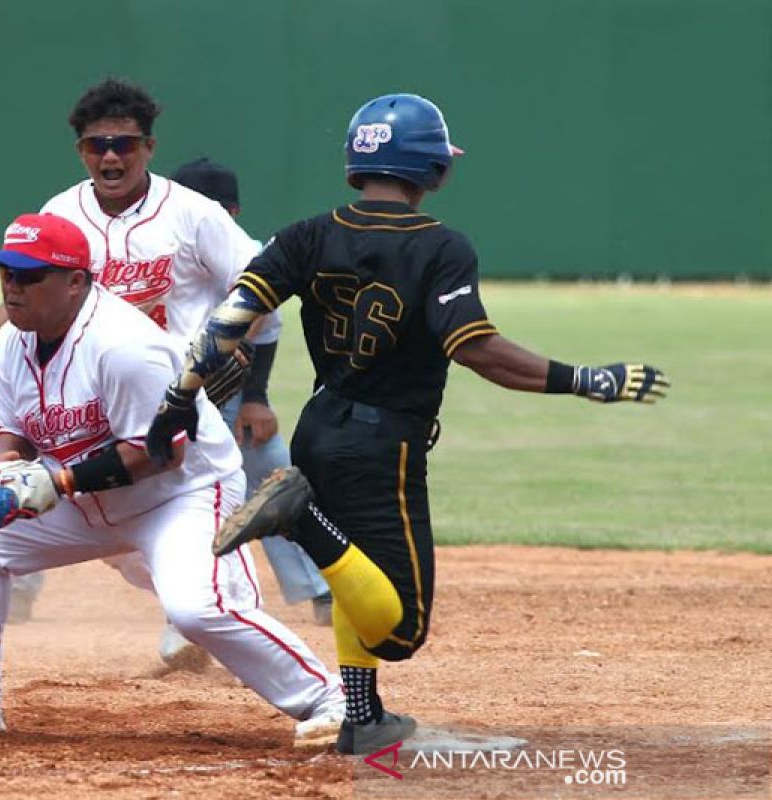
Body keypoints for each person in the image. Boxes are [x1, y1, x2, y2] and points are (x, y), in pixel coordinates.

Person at [145, 93, 670, 755]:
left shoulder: (306, 234)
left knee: (352, 574)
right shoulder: (441, 246)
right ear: (433, 170)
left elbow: (227, 320)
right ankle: (297, 517)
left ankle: (361, 715)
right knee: (401, 625)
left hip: (318, 427)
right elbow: (475, 346)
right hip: (382, 444)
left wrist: (176, 402)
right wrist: (585, 380)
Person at [0, 212, 346, 747]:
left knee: (197, 610)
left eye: (30, 275)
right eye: (6, 272)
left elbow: (160, 452)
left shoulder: (123, 346)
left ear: (76, 282)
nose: (13, 286)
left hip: (181, 495)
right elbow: (9, 427)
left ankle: (330, 701)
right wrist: (8, 473)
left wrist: (54, 484)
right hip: (89, 493)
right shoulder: (14, 341)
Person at [0, 78, 321, 671]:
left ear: (148, 147)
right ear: (81, 150)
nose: (111, 155)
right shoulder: (61, 213)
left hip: (185, 388)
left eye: (124, 144)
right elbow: (26, 293)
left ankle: (229, 622)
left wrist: (230, 349)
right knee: (123, 532)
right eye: (97, 143)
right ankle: (198, 606)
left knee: (192, 495)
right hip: (94, 393)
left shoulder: (192, 212)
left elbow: (260, 283)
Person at [169, 157, 332, 625]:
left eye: (215, 209)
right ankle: (23, 577)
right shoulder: (160, 249)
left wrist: (256, 396)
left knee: (274, 475)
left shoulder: (243, 251)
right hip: (160, 388)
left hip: (227, 390)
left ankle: (322, 590)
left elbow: (270, 319)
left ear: (233, 212)